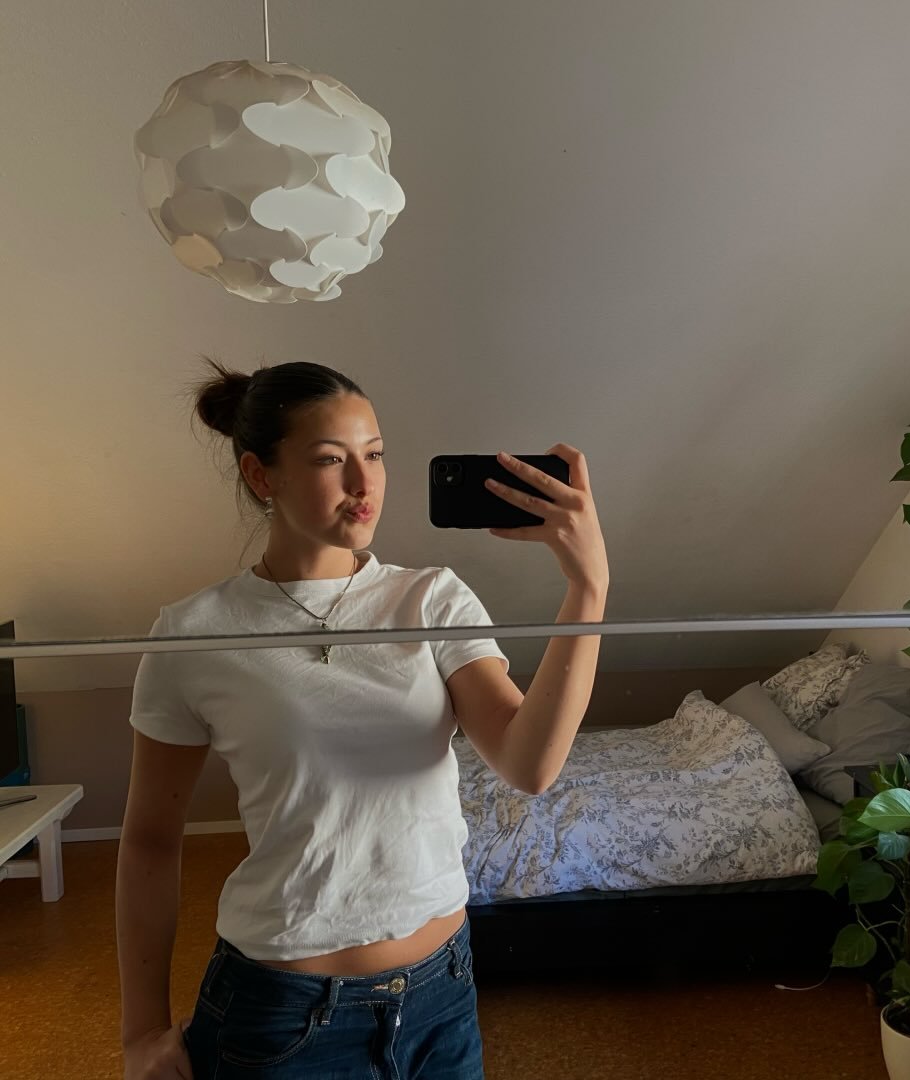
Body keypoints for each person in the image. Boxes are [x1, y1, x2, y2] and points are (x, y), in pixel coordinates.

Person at [115, 359, 609, 1080]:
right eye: (329, 459)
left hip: (441, 998)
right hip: (283, 1017)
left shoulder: (431, 600)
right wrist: (140, 1032)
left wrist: (588, 588)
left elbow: (528, 764)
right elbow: (150, 842)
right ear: (261, 475)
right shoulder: (194, 634)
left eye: (374, 454)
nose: (364, 482)